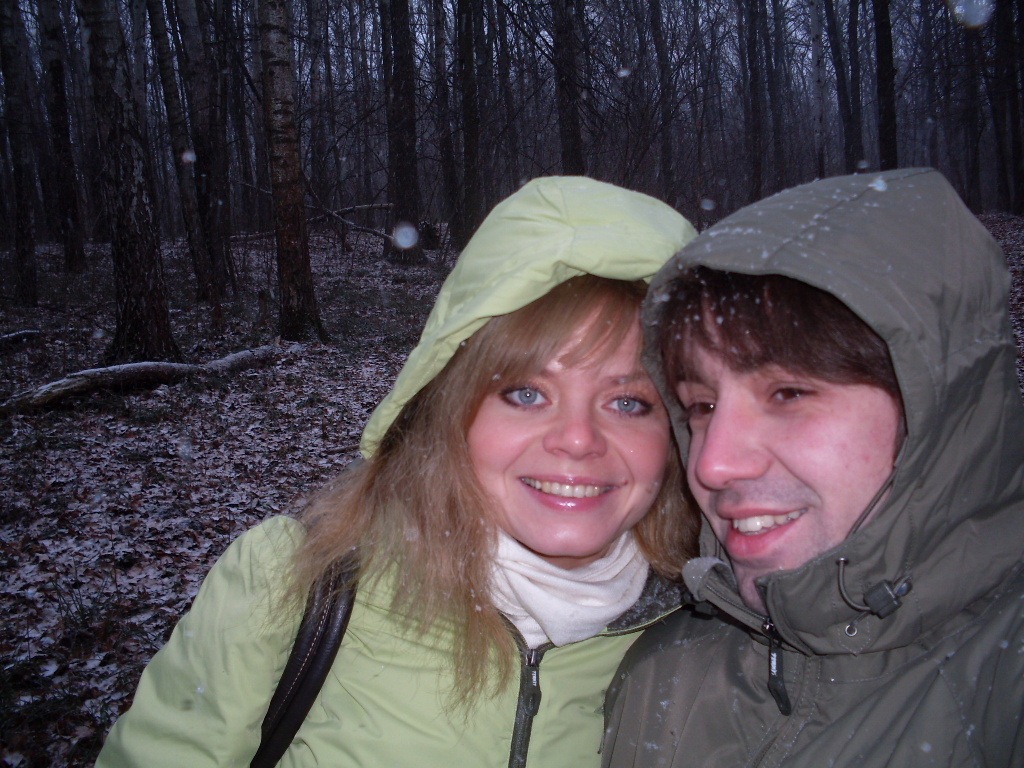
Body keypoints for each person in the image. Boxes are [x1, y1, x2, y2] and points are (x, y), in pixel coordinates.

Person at [97, 176, 701, 767]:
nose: (577, 440)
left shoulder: (709, 640)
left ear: (676, 434)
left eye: (629, 402)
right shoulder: (291, 582)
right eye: (525, 393)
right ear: (452, 409)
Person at [602, 168, 1024, 766]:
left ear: (941, 409)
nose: (714, 464)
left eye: (788, 394)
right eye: (701, 406)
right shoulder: (662, 678)